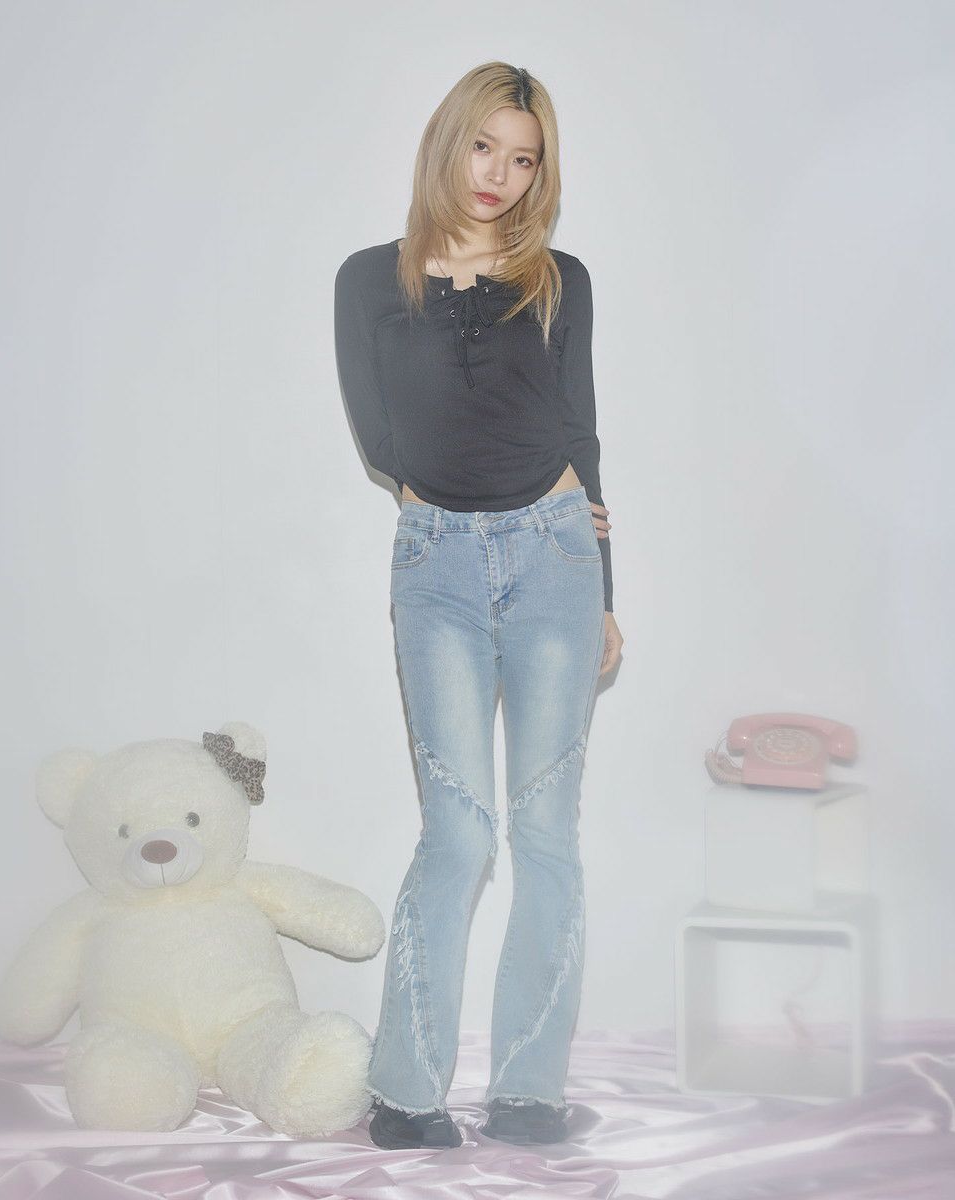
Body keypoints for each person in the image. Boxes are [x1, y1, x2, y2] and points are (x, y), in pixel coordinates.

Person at [334, 61, 624, 1150]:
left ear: (541, 172)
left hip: (556, 554)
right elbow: (383, 442)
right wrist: (449, 502)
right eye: (484, 146)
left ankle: (528, 1089)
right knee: (457, 833)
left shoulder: (561, 280)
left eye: (524, 158)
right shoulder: (369, 280)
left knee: (546, 833)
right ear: (448, 142)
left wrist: (606, 594)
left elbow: (580, 433)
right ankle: (406, 1094)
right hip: (437, 566)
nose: (499, 173)